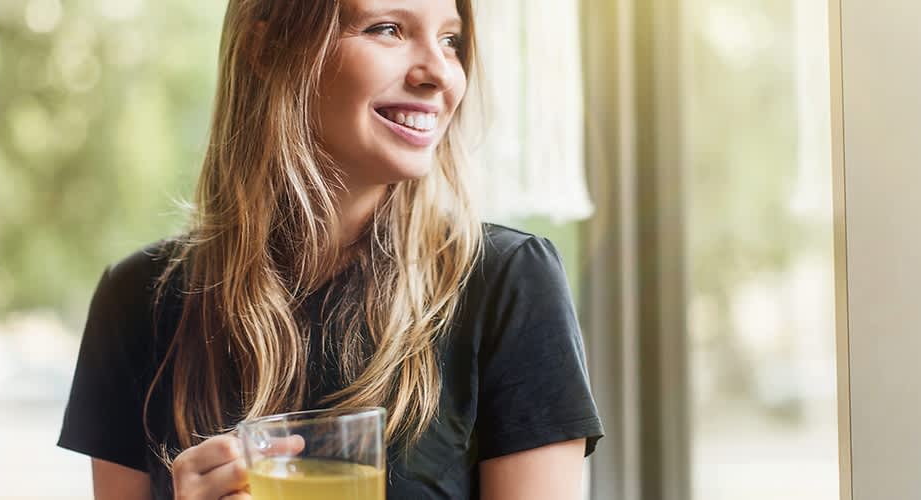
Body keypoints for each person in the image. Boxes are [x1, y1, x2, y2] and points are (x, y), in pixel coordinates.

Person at [57, 0, 604, 498]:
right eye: (388, 29)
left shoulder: (508, 283)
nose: (441, 73)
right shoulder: (138, 300)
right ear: (268, 48)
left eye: (451, 40)